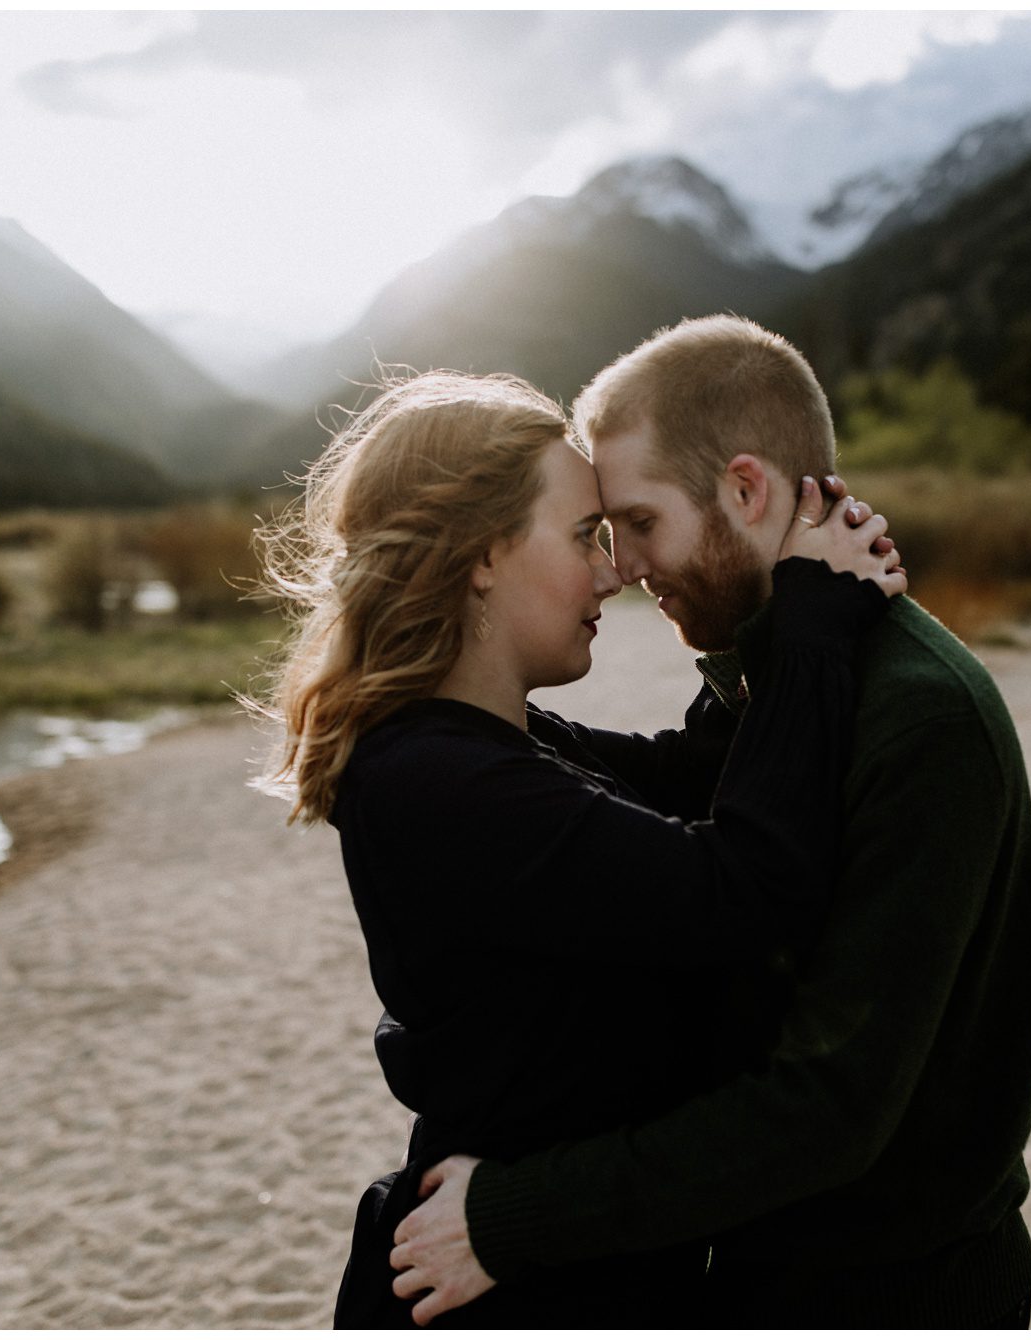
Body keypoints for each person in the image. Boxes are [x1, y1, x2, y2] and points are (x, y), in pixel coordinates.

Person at [392, 316, 1031, 1328]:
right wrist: (446, 711)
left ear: (743, 490)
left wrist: (513, 1216)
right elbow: (677, 779)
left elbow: (829, 1107)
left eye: (639, 522)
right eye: (600, 531)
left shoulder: (917, 716)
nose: (623, 564)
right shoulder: (794, 668)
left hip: (893, 1289)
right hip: (762, 1264)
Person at [251, 369, 906, 1326]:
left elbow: (699, 772)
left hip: (561, 1271)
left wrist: (769, 587)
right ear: (482, 555)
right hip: (514, 1294)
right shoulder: (439, 782)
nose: (613, 571)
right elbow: (747, 889)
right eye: (580, 538)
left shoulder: (498, 743)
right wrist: (807, 626)